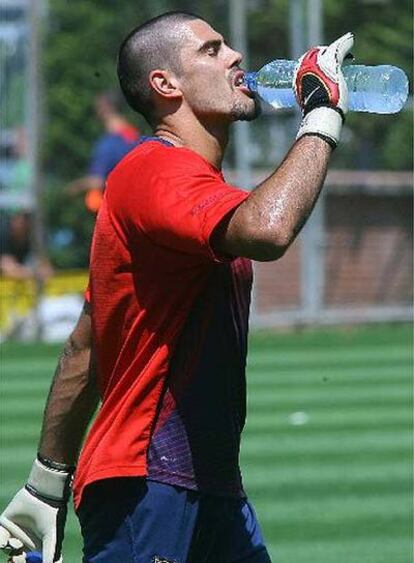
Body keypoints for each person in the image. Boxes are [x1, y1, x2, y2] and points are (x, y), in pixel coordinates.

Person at [0, 11, 354, 563]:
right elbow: (269, 228)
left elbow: (88, 346)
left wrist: (46, 478)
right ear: (166, 86)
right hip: (149, 483)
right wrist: (323, 117)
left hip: (204, 482)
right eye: (211, 51)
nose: (236, 56)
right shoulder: (154, 173)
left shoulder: (185, 189)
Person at [66, 90, 140, 213]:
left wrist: (75, 187)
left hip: (115, 212)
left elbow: (97, 181)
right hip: (136, 206)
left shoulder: (108, 144)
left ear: (106, 108)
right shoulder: (134, 136)